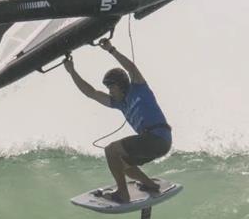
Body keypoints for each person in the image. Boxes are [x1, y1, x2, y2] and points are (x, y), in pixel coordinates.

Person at [63, 38, 172, 203]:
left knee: (111, 150)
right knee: (121, 164)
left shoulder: (138, 88)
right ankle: (150, 184)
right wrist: (72, 72)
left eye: (111, 87)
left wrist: (111, 50)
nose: (110, 91)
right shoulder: (120, 104)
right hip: (156, 143)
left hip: (158, 137)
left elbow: (131, 68)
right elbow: (91, 92)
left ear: (121, 85)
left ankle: (123, 193)